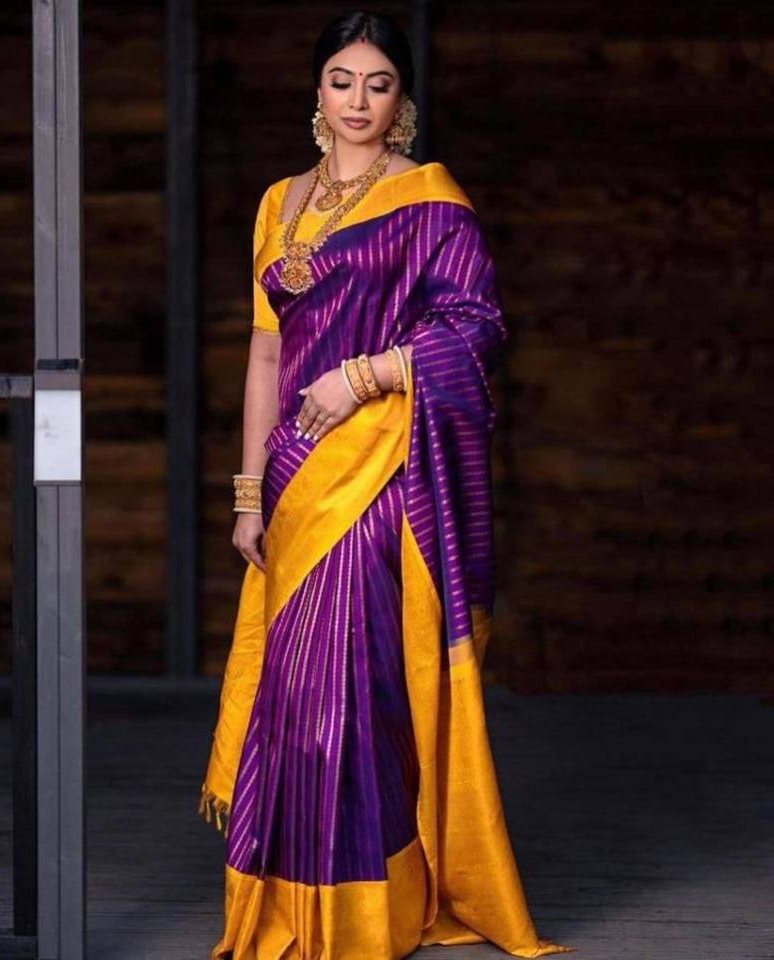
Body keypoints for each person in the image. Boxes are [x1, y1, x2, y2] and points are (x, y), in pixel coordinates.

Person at [198, 9, 576, 959]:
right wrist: (247, 494)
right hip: (296, 479)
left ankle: (365, 914)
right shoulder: (279, 202)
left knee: (352, 694)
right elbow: (264, 355)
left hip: (381, 478)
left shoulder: (431, 199)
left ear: (401, 98)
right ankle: (290, 907)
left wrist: (364, 376)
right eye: (342, 80)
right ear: (317, 90)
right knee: (291, 700)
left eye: (378, 83)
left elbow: (477, 328)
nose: (358, 101)